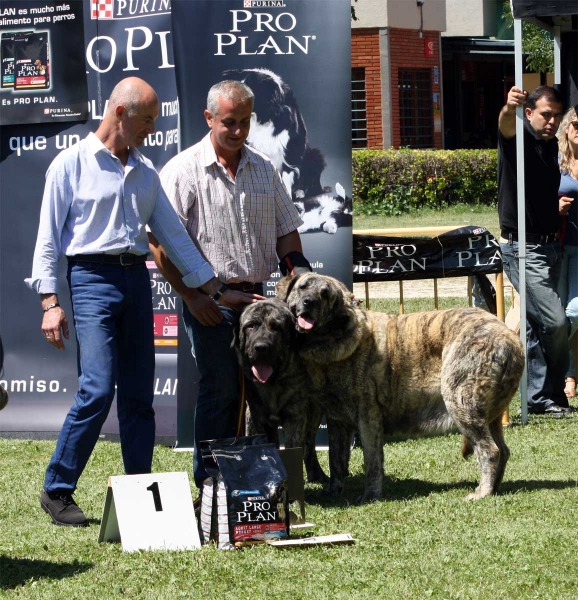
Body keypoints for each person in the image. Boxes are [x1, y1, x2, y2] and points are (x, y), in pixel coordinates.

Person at [26, 77, 256, 527]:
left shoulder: (146, 173)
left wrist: (213, 289)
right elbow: (48, 241)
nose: (153, 128)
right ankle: (57, 488)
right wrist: (49, 302)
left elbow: (175, 239)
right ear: (120, 113)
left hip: (136, 282)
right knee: (97, 387)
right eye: (147, 119)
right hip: (90, 278)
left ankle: (139, 493)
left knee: (139, 397)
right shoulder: (69, 165)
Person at [149, 80, 308, 491]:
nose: (238, 131)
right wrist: (191, 296)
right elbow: (158, 243)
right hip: (209, 301)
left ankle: (257, 478)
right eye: (229, 122)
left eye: (245, 122)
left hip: (257, 299)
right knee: (221, 385)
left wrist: (299, 278)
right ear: (209, 118)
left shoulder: (264, 168)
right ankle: (213, 480)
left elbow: (287, 233)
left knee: (264, 387)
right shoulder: (182, 170)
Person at [497, 85, 570, 415]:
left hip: (550, 246)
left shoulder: (550, 144)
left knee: (537, 325)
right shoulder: (518, 137)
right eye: (545, 114)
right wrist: (508, 108)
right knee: (556, 323)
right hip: (522, 248)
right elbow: (505, 125)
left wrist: (555, 208)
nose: (552, 120)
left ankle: (541, 398)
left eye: (556, 115)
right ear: (528, 113)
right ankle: (553, 393)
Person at [557, 106, 578, 400]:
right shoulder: (555, 162)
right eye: (575, 123)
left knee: (575, 312)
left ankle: (561, 368)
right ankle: (568, 375)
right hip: (558, 246)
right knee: (559, 315)